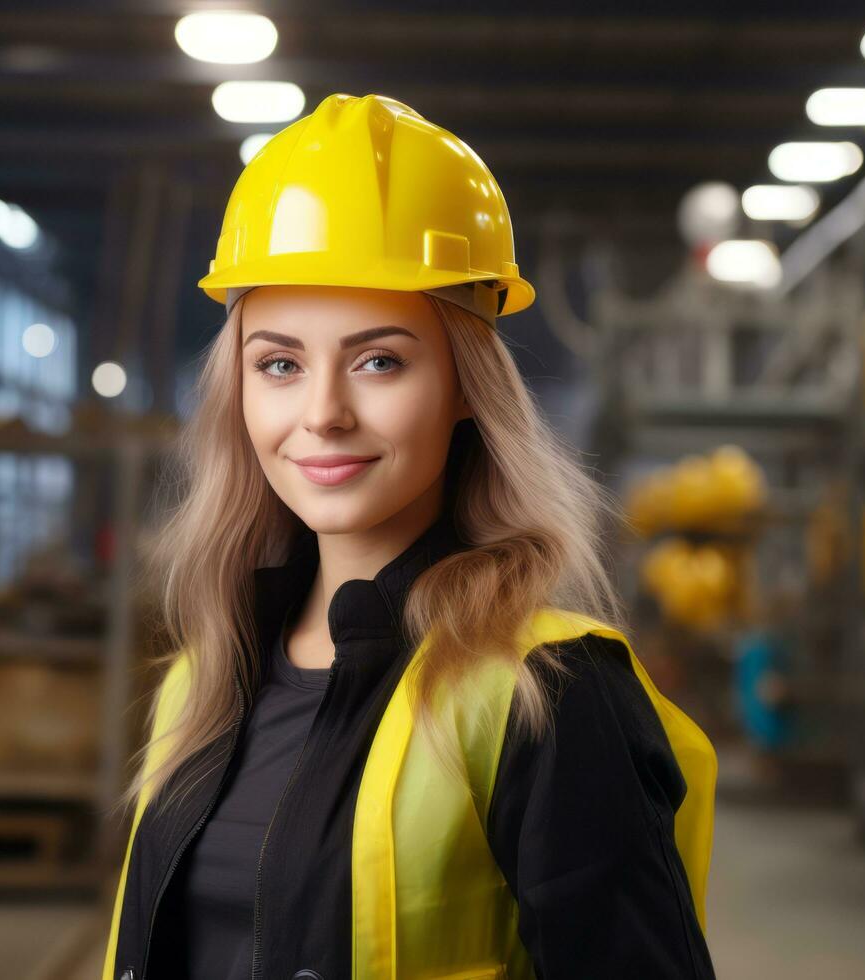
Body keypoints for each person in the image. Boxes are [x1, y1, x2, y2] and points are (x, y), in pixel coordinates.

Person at [102, 93, 717, 980]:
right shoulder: (200, 681)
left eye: (378, 360)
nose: (321, 414)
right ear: (237, 391)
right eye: (279, 363)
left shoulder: (544, 696)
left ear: (467, 386)